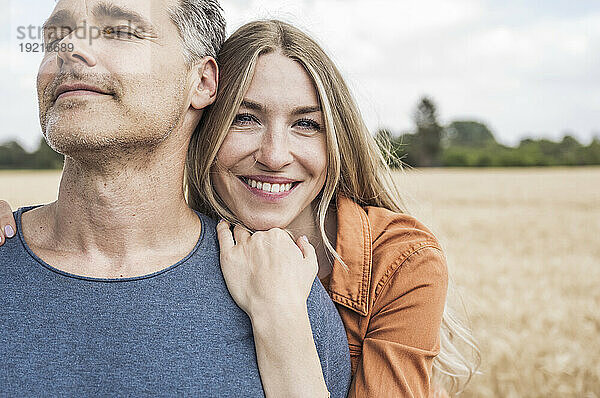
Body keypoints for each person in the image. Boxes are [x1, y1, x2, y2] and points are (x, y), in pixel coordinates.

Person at [0, 15, 480, 398]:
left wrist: (281, 316)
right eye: (245, 118)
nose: (274, 156)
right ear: (208, 120)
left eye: (306, 125)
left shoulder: (396, 261)